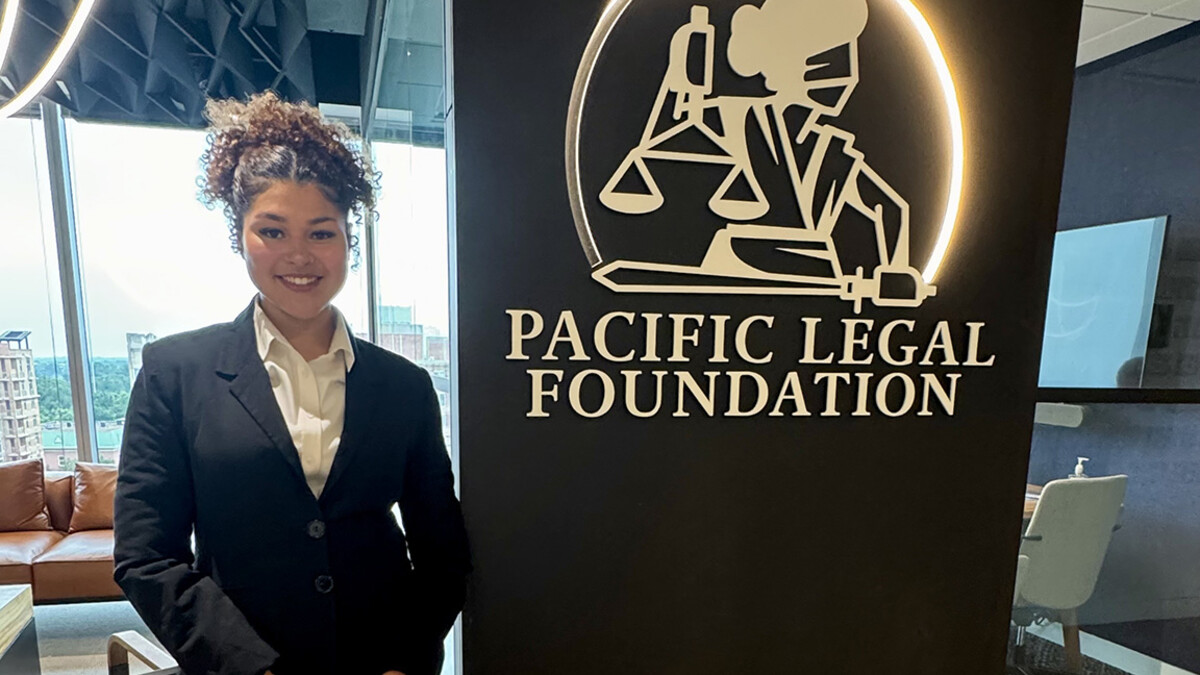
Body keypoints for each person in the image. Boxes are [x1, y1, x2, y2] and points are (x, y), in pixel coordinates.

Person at [113, 91, 470, 675]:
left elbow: (441, 550)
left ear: (349, 239)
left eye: (322, 233)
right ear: (240, 235)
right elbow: (147, 557)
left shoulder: (404, 385)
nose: (299, 255)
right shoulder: (173, 373)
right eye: (272, 231)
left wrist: (403, 660)